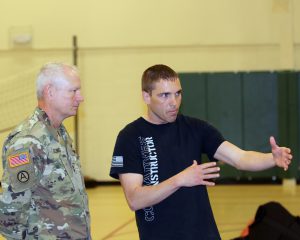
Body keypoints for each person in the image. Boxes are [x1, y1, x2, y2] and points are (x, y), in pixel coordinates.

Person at [110, 64, 293, 240]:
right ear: (146, 96)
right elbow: (134, 199)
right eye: (164, 95)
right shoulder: (130, 136)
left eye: (178, 94)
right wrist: (180, 180)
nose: (174, 102)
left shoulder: (196, 129)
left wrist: (271, 158)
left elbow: (240, 158)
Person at [0, 62, 91, 239]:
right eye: (74, 91)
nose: (80, 98)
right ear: (50, 92)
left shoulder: (59, 133)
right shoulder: (28, 141)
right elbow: (11, 214)